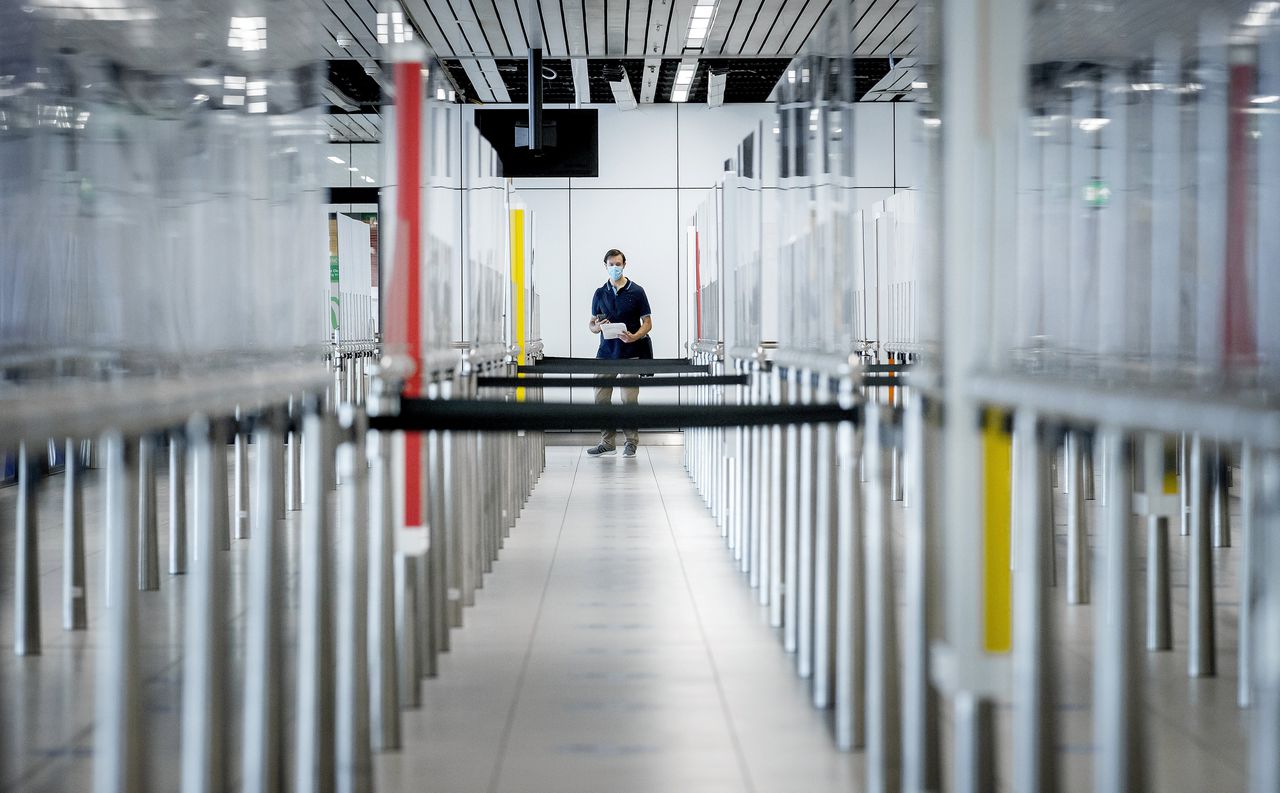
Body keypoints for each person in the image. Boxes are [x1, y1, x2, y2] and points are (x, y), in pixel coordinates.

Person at [586, 248, 653, 458]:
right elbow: (591, 324)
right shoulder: (599, 292)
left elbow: (648, 323)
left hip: (631, 353)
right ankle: (607, 442)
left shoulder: (637, 291)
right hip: (605, 353)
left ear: (624, 264)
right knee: (600, 399)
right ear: (605, 265)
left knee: (629, 400)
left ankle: (631, 442)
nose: (614, 268)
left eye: (618, 264)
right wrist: (597, 327)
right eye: (611, 264)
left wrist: (635, 336)